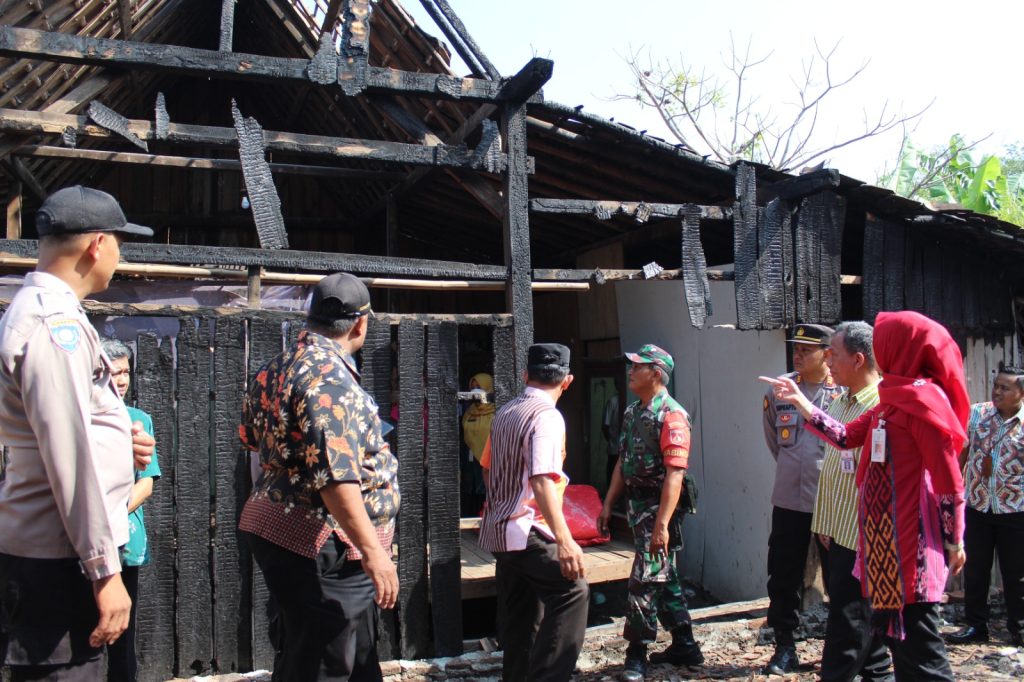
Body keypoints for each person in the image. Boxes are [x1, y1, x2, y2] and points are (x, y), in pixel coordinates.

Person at [0, 186, 155, 681]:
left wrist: (119, 444)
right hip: (59, 557)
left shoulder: (47, 311)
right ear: (97, 244)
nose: (119, 257)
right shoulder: (54, 324)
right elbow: (66, 454)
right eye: (119, 244)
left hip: (60, 550)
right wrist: (104, 571)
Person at [761, 310, 968, 680]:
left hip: (911, 548)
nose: (829, 361)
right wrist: (800, 401)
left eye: (882, 342)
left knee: (922, 654)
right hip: (883, 546)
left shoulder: (922, 404)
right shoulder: (891, 401)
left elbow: (948, 481)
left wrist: (954, 540)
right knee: (900, 648)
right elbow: (845, 437)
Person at [238, 272, 399, 682]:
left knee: (339, 654)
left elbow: (252, 443)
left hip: (282, 530)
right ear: (360, 324)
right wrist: (373, 551)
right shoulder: (329, 377)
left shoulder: (272, 369)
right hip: (323, 544)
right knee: (325, 663)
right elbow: (335, 478)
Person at [478, 343, 588, 682]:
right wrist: (565, 541)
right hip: (527, 529)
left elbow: (487, 468)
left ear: (526, 375)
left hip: (499, 531)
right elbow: (541, 480)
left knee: (523, 618)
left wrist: (502, 502)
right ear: (567, 381)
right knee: (572, 591)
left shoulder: (506, 412)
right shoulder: (547, 417)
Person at [598, 344, 703, 681]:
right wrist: (608, 503)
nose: (631, 371)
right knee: (662, 574)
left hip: (659, 508)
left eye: (638, 367)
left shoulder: (672, 416)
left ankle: (637, 653)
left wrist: (662, 525)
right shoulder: (632, 413)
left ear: (656, 373)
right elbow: (622, 461)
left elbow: (675, 474)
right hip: (636, 506)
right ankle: (685, 643)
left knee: (644, 578)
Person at [810, 322, 893, 681]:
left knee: (849, 624)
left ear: (858, 360)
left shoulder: (883, 406)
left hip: (862, 536)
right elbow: (836, 464)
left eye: (834, 354)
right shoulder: (841, 401)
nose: (827, 361)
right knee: (864, 633)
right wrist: (826, 524)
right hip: (837, 530)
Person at [761, 324, 842, 674]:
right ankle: (784, 647)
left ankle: (840, 649)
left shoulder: (843, 390)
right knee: (783, 574)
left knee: (839, 575)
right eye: (796, 348)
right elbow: (773, 439)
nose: (798, 355)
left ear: (827, 354)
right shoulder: (779, 389)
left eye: (807, 350)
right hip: (789, 499)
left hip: (832, 501)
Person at [947, 363, 1024, 647]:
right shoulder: (977, 414)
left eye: (1005, 388)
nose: (997, 392)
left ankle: (1019, 627)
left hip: (1015, 509)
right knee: (976, 571)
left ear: (1021, 393)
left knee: (1017, 574)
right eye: (996, 386)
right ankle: (976, 625)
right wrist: (952, 489)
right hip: (978, 506)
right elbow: (962, 453)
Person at [101, 339, 162, 682]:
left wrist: (110, 515)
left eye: (126, 371)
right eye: (115, 372)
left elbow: (146, 483)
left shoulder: (138, 420)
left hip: (125, 541)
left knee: (123, 634)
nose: (122, 380)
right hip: (84, 542)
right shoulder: (81, 418)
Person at [461, 372, 494, 516]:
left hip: (489, 458)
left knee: (485, 488)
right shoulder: (469, 412)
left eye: (479, 387)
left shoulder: (495, 412)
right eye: (472, 387)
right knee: (470, 487)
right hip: (470, 458)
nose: (475, 390)